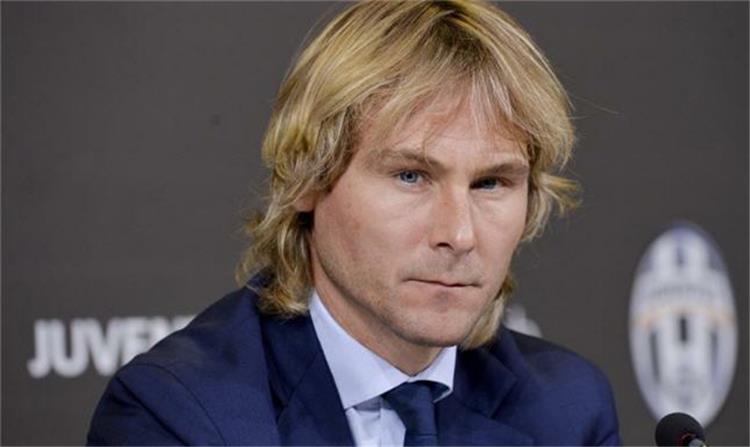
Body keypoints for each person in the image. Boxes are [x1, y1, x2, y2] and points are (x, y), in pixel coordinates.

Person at [88, 1, 620, 445]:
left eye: (490, 183)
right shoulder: (178, 414)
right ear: (305, 178)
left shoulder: (568, 411)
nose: (459, 235)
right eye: (411, 176)